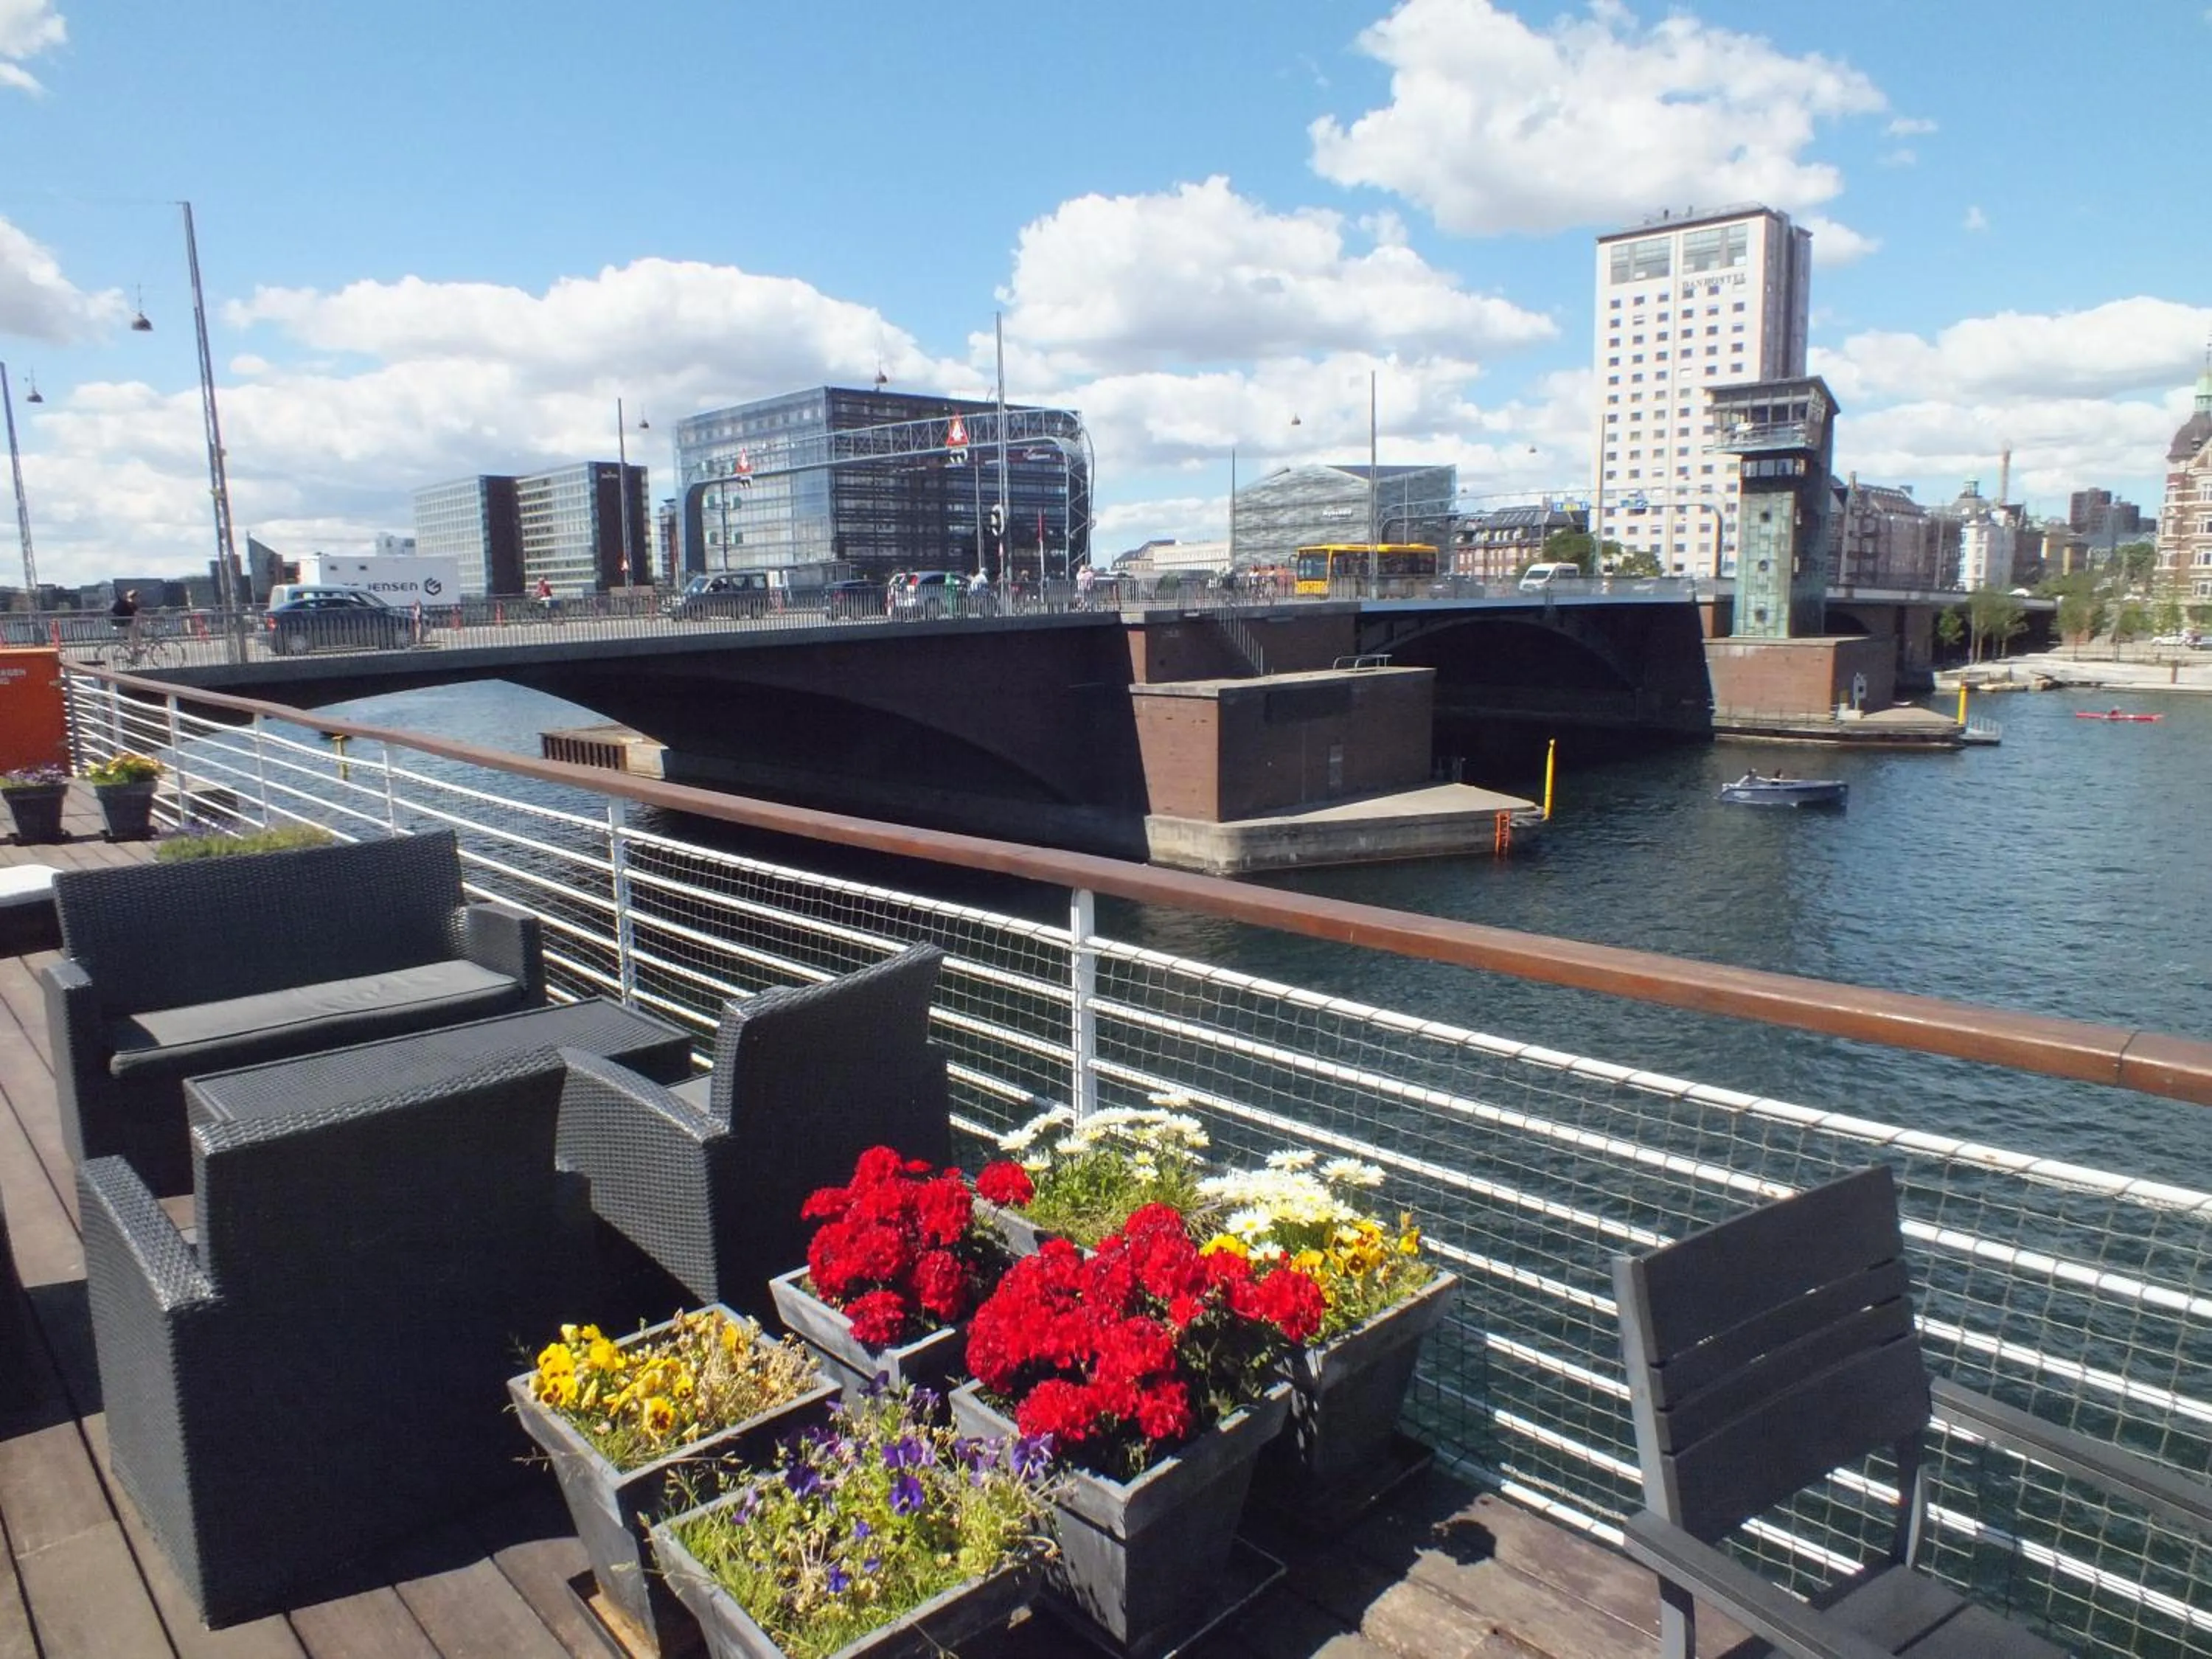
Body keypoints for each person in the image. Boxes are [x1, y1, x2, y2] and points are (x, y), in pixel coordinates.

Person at [108, 588, 142, 656]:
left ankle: (134, 651)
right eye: (138, 597)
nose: (139, 599)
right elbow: (137, 614)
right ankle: (134, 651)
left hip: (120, 623)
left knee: (131, 637)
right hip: (123, 623)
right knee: (133, 636)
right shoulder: (131, 603)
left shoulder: (125, 602)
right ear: (134, 597)